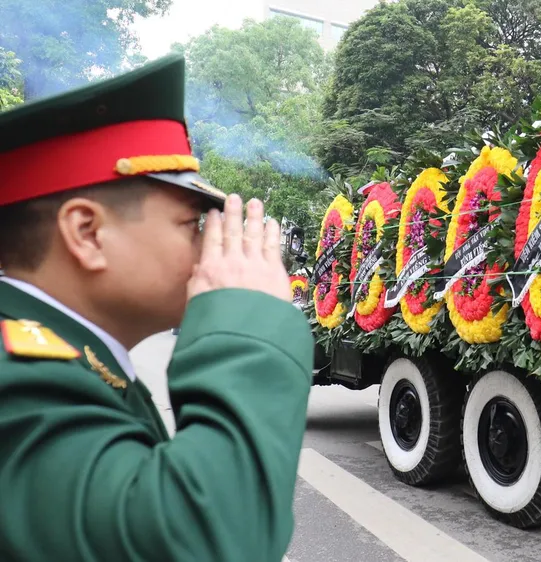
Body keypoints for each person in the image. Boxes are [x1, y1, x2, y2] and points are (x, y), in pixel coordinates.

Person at [0, 54, 313, 561]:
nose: (207, 245)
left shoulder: (69, 360)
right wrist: (243, 323)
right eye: (192, 224)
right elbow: (199, 538)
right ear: (88, 234)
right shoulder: (16, 377)